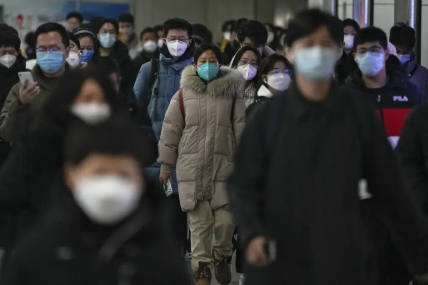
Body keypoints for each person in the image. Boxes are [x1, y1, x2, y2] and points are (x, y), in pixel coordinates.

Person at [227, 8, 428, 285]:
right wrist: (252, 231)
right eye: (308, 45)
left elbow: (391, 187)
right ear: (290, 51)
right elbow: (243, 182)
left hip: (345, 257)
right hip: (280, 257)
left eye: (325, 45)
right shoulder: (267, 117)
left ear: (337, 51)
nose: (317, 53)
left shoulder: (357, 114)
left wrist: (419, 258)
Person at [1, 117, 191, 285]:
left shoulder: (162, 260)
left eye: (122, 175)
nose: (110, 186)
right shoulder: (37, 255)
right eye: (99, 173)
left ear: (140, 179)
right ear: (70, 174)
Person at [158, 43, 245, 285]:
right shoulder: (183, 95)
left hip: (224, 169)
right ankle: (202, 269)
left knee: (226, 223)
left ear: (220, 64)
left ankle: (221, 256)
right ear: (195, 66)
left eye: (213, 60)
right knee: (200, 225)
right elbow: (170, 131)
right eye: (203, 61)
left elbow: (240, 129)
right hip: (192, 169)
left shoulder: (232, 94)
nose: (208, 65)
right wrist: (166, 165)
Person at [133, 17, 195, 257]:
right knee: (152, 210)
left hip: (185, 152)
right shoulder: (150, 69)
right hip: (152, 152)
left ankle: (177, 257)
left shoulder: (197, 71)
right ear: (164, 40)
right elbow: (135, 108)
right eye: (172, 39)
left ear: (190, 41)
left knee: (178, 211)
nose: (176, 43)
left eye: (182, 39)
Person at [342, 26, 423, 149]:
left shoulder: (410, 94)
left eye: (374, 50)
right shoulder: (344, 97)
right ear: (355, 56)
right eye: (363, 51)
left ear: (386, 54)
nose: (369, 56)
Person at [0, 22, 70, 144]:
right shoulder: (21, 89)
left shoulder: (83, 86)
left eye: (54, 49)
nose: (48, 54)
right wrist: (21, 104)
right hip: (32, 160)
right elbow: (8, 135)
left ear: (67, 52)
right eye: (42, 49)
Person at [0, 32, 27, 167]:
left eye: (11, 52)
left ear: (18, 52)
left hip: (16, 135)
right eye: (3, 52)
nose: (7, 56)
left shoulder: (25, 74)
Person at [95, 18, 136, 98]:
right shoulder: (91, 55)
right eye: (104, 32)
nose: (108, 35)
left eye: (111, 32)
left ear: (117, 36)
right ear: (97, 35)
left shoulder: (124, 58)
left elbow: (129, 86)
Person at [247, 54, 292, 118]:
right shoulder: (257, 109)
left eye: (286, 71)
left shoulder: (294, 104)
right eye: (276, 71)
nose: (282, 75)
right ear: (265, 78)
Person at [390, 23, 428, 99]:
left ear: (412, 49)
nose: (401, 55)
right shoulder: (382, 72)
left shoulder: (423, 74)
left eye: (405, 52)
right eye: (397, 51)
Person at [336, 19, 360, 84]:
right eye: (345, 33)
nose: (349, 37)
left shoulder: (360, 56)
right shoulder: (335, 55)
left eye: (353, 34)